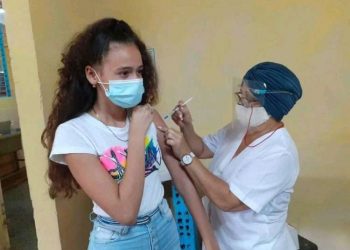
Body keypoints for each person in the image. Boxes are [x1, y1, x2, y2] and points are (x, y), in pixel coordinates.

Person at [41, 18, 218, 249]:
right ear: (92, 75)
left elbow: (182, 179)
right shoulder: (74, 134)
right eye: (124, 73)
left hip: (164, 224)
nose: (135, 81)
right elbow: (125, 212)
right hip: (120, 240)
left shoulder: (148, 116)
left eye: (139, 71)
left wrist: (210, 239)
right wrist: (136, 135)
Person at [160, 62, 302, 250]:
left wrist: (185, 155)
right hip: (221, 240)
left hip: (255, 245)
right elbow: (202, 149)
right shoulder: (242, 128)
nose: (242, 104)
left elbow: (227, 200)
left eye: (249, 99)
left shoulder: (279, 154)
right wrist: (186, 126)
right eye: (240, 96)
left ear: (273, 105)